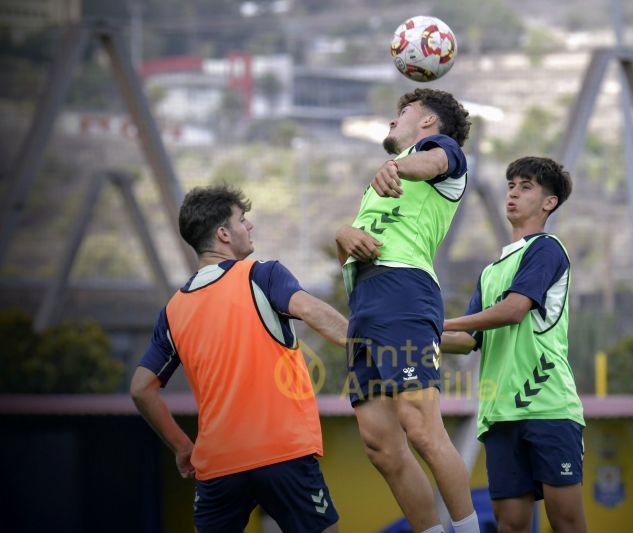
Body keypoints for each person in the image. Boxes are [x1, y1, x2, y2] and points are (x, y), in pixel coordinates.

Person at [130, 185, 345, 533]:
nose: (251, 226)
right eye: (243, 220)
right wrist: (369, 343)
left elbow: (141, 389)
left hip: (218, 466)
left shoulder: (173, 311)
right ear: (223, 234)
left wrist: (182, 446)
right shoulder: (262, 275)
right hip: (282, 453)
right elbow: (313, 311)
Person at [334, 88, 479, 533]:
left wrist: (397, 165)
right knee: (381, 446)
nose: (393, 120)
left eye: (404, 112)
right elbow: (353, 247)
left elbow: (431, 164)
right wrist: (344, 236)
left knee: (420, 426)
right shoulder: (379, 184)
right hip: (366, 303)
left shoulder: (440, 154)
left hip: (404, 291)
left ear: (429, 123)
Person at [440, 156, 588, 533]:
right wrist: (415, 333)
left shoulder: (547, 249)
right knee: (510, 525)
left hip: (549, 407)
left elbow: (513, 310)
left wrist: (440, 321)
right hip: (500, 414)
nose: (513, 194)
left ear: (548, 202)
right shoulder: (491, 272)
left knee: (566, 522)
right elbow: (466, 340)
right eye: (510, 185)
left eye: (525, 187)